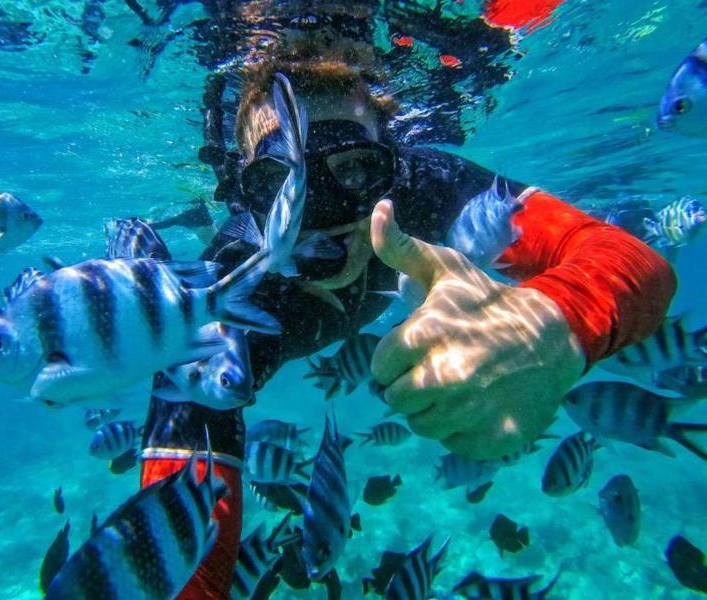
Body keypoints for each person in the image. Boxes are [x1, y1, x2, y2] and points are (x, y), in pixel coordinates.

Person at [137, 4, 676, 599]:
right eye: (279, 183)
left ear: (390, 168)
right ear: (245, 192)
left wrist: (550, 323)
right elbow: (180, 534)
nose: (320, 213)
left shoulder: (426, 189)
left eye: (355, 170)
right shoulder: (224, 295)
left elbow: (627, 258)